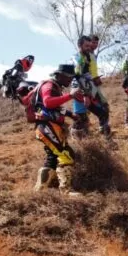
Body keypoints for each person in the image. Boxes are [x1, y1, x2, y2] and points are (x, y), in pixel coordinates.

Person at [23, 64, 83, 196]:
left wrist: (70, 114)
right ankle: (66, 191)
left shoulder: (54, 87)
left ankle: (39, 191)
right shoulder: (49, 85)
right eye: (68, 77)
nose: (70, 80)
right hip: (47, 126)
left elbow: (53, 107)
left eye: (71, 77)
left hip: (46, 126)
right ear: (59, 75)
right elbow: (48, 102)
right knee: (66, 155)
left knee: (52, 157)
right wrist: (70, 96)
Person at [71, 35, 111, 139]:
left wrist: (96, 81)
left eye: (90, 45)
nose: (89, 48)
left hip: (90, 88)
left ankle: (106, 137)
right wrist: (85, 94)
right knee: (81, 120)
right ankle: (79, 141)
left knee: (104, 110)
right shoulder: (77, 58)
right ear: (79, 45)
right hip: (79, 91)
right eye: (86, 46)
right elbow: (77, 75)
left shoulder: (90, 56)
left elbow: (92, 72)